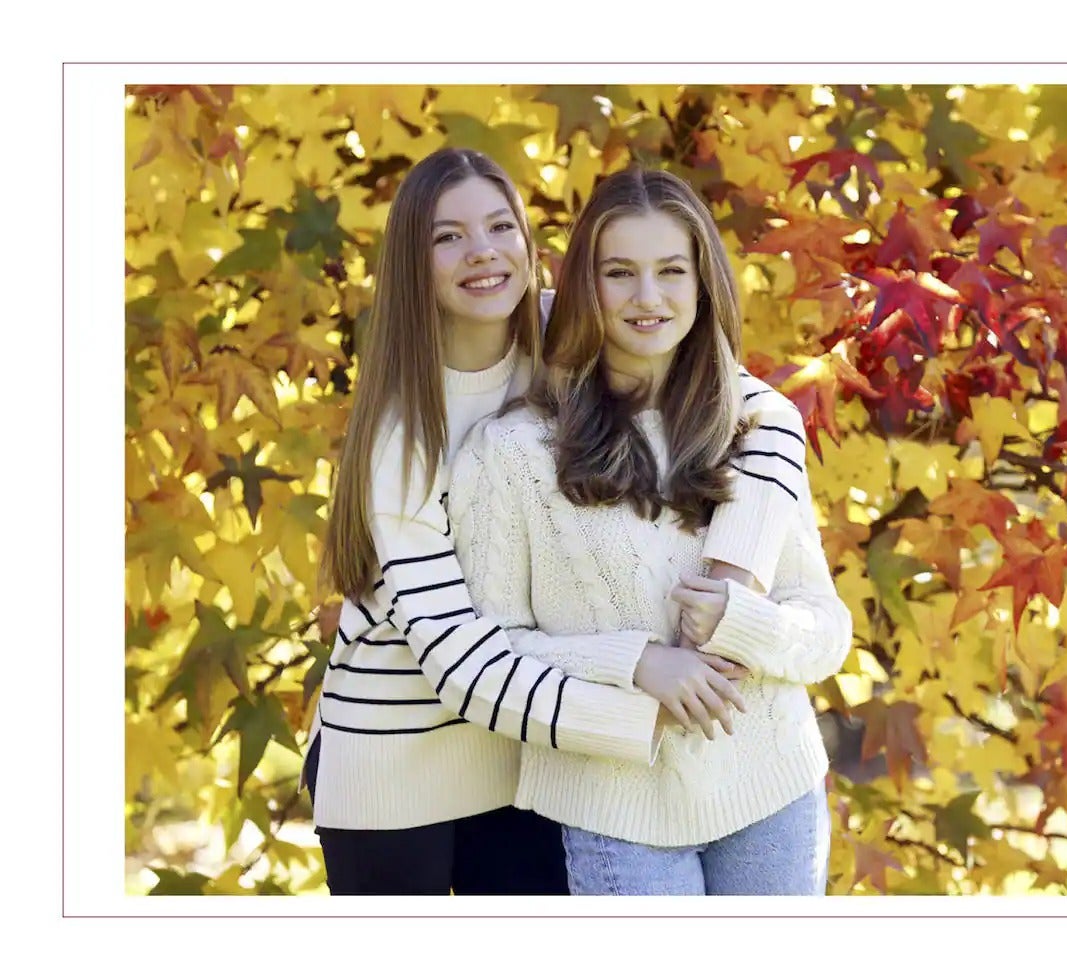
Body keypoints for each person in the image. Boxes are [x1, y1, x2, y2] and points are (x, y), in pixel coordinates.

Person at [303, 148, 815, 895]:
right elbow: (460, 659)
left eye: (499, 226)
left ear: (532, 245)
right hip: (399, 759)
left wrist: (734, 570)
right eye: (448, 236)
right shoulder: (403, 435)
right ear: (414, 264)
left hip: (527, 752)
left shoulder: (564, 331)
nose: (481, 252)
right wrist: (640, 703)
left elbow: (756, 407)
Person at [448, 167, 851, 895]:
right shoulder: (513, 454)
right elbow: (490, 652)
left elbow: (826, 631)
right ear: (584, 288)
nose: (648, 297)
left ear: (703, 284)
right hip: (613, 807)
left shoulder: (754, 432)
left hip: (771, 790)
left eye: (671, 271)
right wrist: (638, 665)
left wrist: (745, 623)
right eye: (619, 273)